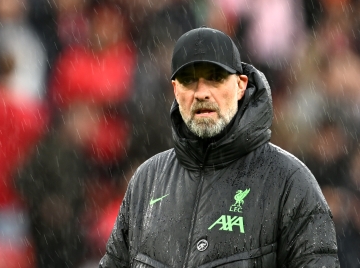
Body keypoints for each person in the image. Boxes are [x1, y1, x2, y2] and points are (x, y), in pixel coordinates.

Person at [99, 27, 339, 267]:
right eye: (189, 80)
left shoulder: (290, 182)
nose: (202, 93)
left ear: (241, 85)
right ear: (175, 90)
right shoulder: (146, 181)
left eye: (215, 78)